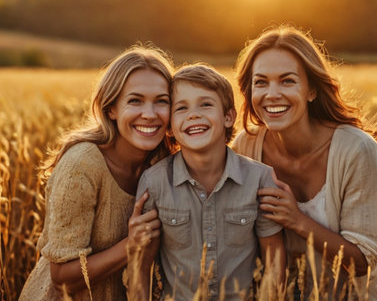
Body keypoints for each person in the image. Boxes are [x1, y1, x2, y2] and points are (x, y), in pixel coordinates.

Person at [232, 25, 377, 300]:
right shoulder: (246, 146)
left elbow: (361, 262)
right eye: (261, 82)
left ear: (311, 90)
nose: (272, 94)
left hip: (363, 294)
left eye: (287, 81)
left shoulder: (357, 150)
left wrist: (296, 219)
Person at [19, 45, 175, 301]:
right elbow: (62, 279)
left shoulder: (163, 163)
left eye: (162, 101)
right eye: (135, 100)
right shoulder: (81, 165)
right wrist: (131, 246)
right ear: (111, 108)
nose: (149, 114)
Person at [135, 64, 286, 300]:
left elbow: (274, 262)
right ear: (170, 128)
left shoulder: (260, 179)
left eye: (205, 104)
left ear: (228, 117)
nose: (193, 115)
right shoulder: (154, 182)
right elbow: (141, 266)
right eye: (181, 108)